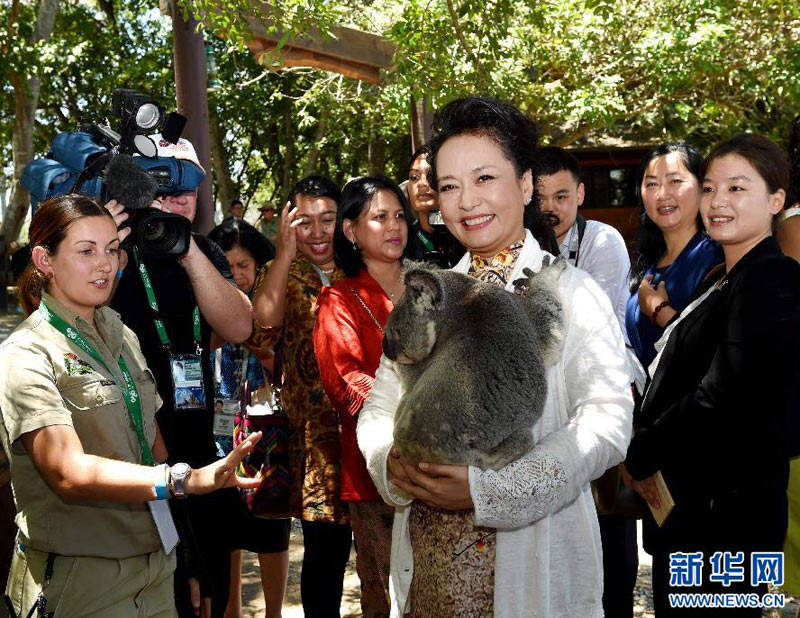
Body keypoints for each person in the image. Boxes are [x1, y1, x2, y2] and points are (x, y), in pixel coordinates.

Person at [357, 96, 633, 617]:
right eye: (449, 186)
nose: (466, 202)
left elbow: (608, 420)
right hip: (427, 580)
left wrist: (495, 491)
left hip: (531, 579)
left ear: (525, 184)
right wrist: (388, 462)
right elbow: (380, 401)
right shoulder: (431, 292)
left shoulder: (571, 292)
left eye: (484, 178)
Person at [0, 194, 261, 618]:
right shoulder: (26, 353)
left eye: (111, 248)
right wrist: (185, 479)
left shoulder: (122, 338)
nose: (104, 264)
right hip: (78, 581)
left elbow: (153, 449)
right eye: (86, 251)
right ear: (45, 260)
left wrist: (185, 545)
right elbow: (67, 472)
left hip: (155, 570)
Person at [624, 133, 800, 616]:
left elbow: (722, 394)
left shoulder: (773, 278)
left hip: (730, 519)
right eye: (710, 189)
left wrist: (640, 449)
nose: (718, 202)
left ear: (776, 201)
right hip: (695, 513)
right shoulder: (724, 277)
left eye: (737, 189)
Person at [107, 138, 254, 618]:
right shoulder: (113, 248)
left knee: (210, 589)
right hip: (136, 454)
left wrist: (187, 248)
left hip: (200, 449)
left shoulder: (203, 249)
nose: (173, 198)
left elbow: (239, 326)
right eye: (158, 185)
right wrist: (107, 244)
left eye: (184, 187)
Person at [536, 144, 638, 617]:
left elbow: (584, 320)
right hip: (542, 405)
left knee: (608, 518)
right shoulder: (523, 243)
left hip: (595, 395)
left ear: (579, 194)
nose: (550, 208)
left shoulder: (603, 241)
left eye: (560, 196)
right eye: (540, 198)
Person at [249, 176, 351, 618]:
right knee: (324, 555)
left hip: (372, 432)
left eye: (327, 220)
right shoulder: (284, 273)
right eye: (304, 222)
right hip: (315, 442)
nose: (317, 232)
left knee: (379, 549)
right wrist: (283, 255)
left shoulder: (365, 264)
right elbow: (262, 329)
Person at [314, 176, 414, 618]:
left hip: (447, 466)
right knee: (388, 594)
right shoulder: (339, 298)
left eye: (398, 216)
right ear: (352, 231)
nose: (394, 226)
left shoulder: (429, 283)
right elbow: (345, 380)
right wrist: (414, 414)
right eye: (379, 217)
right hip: (379, 470)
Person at [207, 218, 288, 618]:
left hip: (265, 439)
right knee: (226, 535)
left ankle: (274, 612)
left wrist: (253, 340)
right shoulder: (202, 303)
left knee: (271, 533)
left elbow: (287, 373)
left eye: (244, 265)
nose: (236, 274)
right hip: (218, 439)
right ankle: (232, 611)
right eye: (228, 265)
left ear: (259, 266)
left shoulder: (273, 306)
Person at [625, 143, 724, 373]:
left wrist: (660, 311)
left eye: (675, 181)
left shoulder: (717, 260)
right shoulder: (648, 264)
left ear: (702, 187)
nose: (662, 194)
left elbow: (714, 353)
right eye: (651, 184)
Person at [405, 145, 465, 267]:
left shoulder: (468, 234)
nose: (422, 183)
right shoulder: (402, 242)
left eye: (430, 175)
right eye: (414, 177)